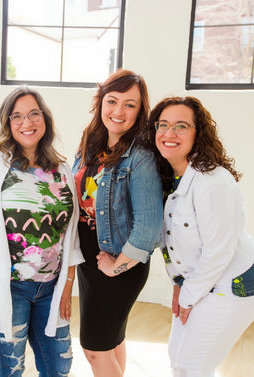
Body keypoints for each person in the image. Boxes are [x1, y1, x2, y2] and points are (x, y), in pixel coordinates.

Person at [0, 86, 84, 377]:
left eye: (33, 114)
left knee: (59, 366)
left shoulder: (62, 168)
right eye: (17, 116)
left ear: (45, 119)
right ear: (7, 123)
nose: (26, 123)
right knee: (11, 368)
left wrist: (66, 288)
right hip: (6, 288)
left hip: (50, 288)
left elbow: (71, 236)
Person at [142, 96, 254, 377]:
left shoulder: (212, 182)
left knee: (193, 365)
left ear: (198, 133)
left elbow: (218, 252)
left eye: (181, 126)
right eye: (163, 125)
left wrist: (188, 296)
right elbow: (173, 242)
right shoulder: (169, 176)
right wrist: (180, 285)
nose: (169, 133)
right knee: (177, 358)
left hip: (233, 284)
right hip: (198, 282)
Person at [72, 69, 163, 377]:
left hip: (116, 265)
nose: (118, 111)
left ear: (140, 111)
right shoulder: (91, 144)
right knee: (110, 342)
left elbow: (149, 226)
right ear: (101, 103)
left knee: (95, 349)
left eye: (130, 104)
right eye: (112, 101)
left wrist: (117, 266)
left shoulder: (141, 156)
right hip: (90, 262)